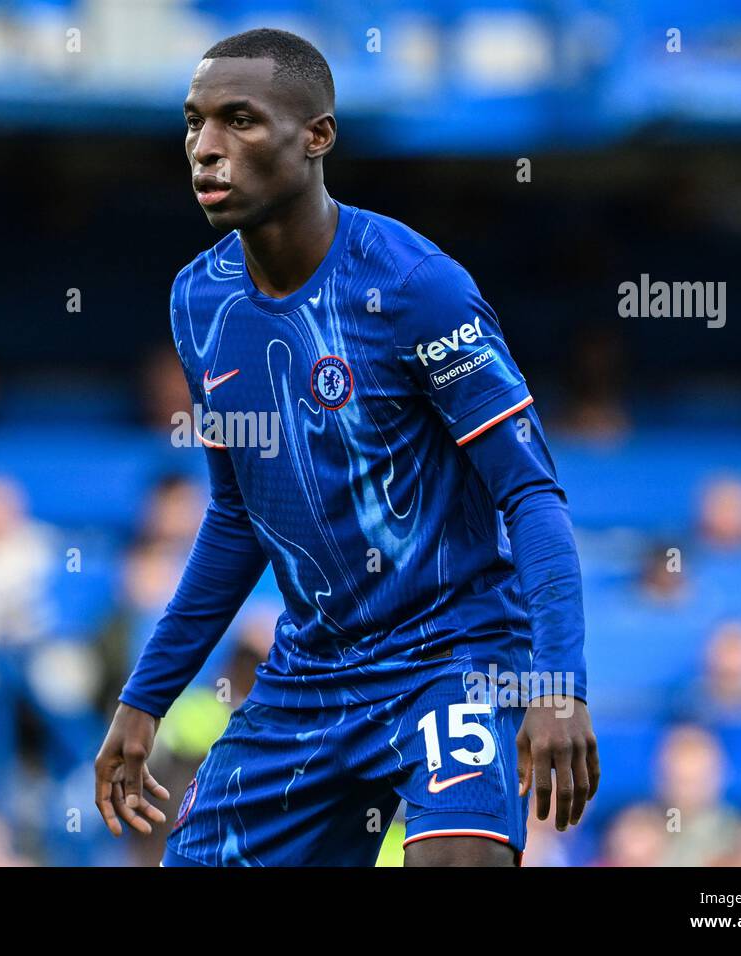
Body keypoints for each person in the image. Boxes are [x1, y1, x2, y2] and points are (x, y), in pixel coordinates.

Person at [94, 28, 598, 867]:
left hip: (454, 655)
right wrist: (143, 701)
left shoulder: (415, 286)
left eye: (240, 121)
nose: (206, 150)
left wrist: (558, 681)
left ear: (317, 136)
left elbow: (532, 495)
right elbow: (235, 519)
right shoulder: (199, 301)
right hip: (313, 673)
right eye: (193, 124)